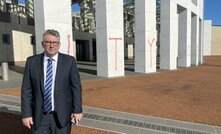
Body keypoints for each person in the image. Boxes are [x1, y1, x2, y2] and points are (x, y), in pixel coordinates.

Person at [21, 29, 83, 134]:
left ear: (59, 45)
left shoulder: (69, 61)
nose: (51, 45)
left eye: (55, 43)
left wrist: (77, 110)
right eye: (48, 42)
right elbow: (26, 90)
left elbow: (76, 87)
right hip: (39, 116)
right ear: (42, 44)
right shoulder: (32, 62)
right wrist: (26, 114)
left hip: (62, 115)